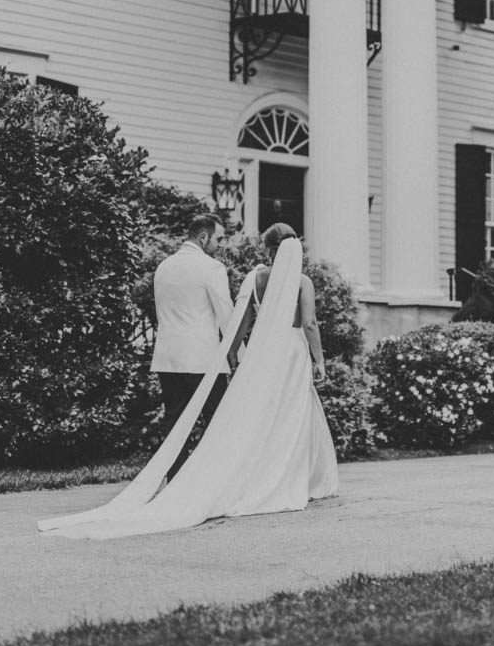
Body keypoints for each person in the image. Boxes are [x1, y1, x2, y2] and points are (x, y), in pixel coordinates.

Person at [39, 225, 338, 538]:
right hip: (291, 354)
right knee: (290, 414)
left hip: (261, 354)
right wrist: (319, 361)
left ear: (269, 247)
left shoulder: (255, 277)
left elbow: (239, 322)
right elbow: (310, 323)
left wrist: (235, 354)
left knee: (255, 417)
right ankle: (290, 478)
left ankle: (211, 478)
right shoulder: (302, 282)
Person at [151, 214, 234, 478]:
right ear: (203, 237)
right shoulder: (211, 268)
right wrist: (239, 357)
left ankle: (175, 484)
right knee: (217, 421)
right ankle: (212, 482)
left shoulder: (163, 267)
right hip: (203, 359)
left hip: (168, 357)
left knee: (175, 423)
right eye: (218, 239)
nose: (220, 245)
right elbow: (226, 316)